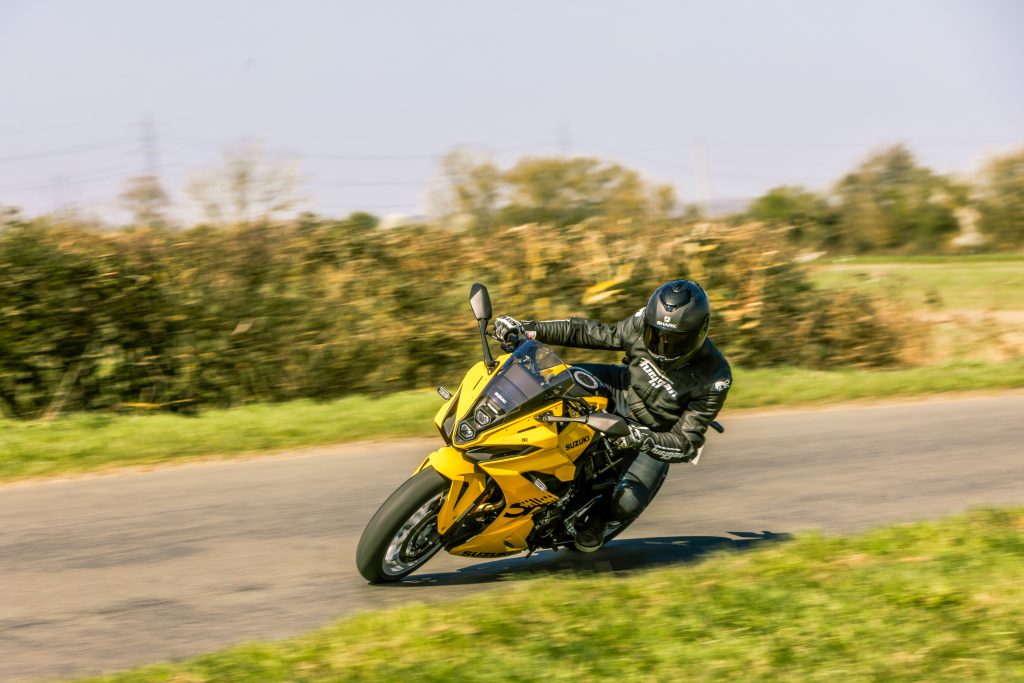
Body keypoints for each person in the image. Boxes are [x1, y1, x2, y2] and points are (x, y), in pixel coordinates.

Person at [494, 280, 731, 552]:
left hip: (654, 431)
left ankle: (601, 519)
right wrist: (527, 329)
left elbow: (687, 444)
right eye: (656, 335)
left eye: (677, 340)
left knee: (626, 503)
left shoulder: (715, 376)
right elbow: (594, 332)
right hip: (620, 388)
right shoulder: (641, 322)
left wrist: (643, 439)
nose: (663, 346)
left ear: (700, 331)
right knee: (553, 380)